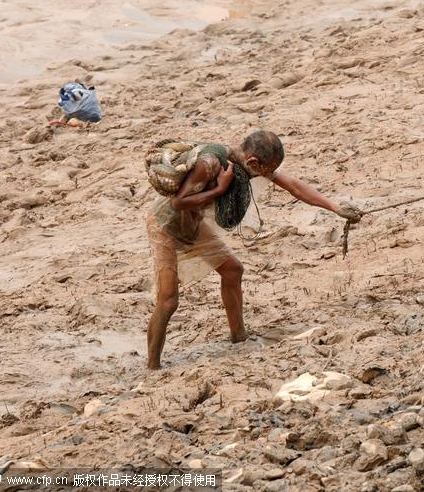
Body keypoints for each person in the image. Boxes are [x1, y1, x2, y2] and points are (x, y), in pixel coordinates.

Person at [145, 130, 361, 369]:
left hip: (191, 223)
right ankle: (152, 367)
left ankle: (239, 337)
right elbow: (179, 202)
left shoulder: (244, 164)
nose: (269, 176)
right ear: (254, 162)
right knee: (168, 301)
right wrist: (218, 190)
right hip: (166, 223)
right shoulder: (211, 163)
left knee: (233, 271)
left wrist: (334, 207)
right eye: (267, 170)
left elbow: (294, 186)